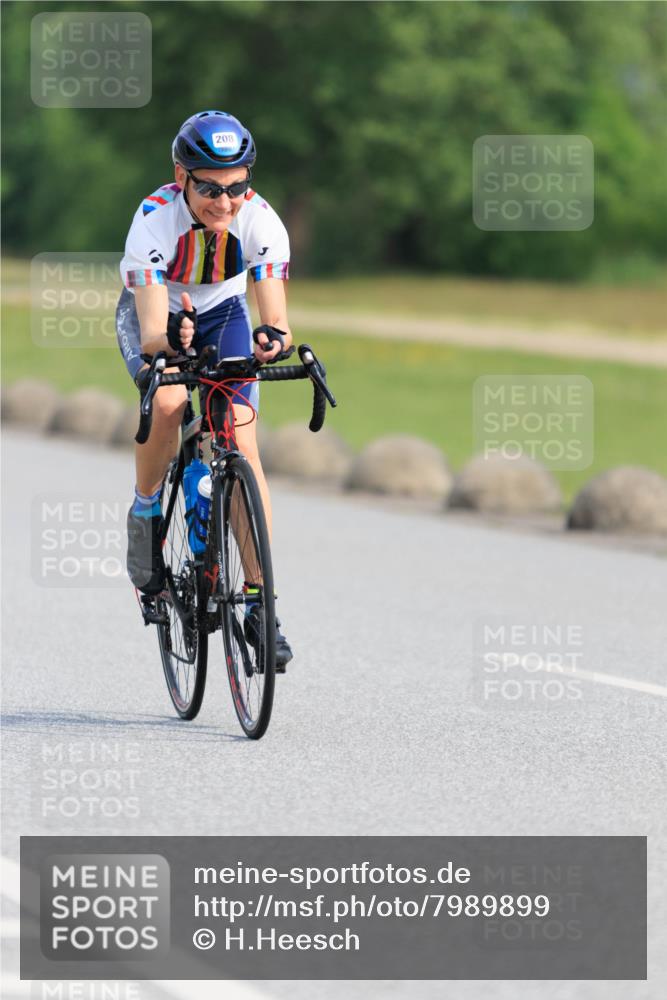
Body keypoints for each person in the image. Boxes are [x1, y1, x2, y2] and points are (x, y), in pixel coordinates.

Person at [116, 109, 293, 670]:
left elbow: (277, 320)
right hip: (156, 312)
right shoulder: (153, 220)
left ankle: (261, 605)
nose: (225, 202)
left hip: (222, 313)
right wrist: (167, 340)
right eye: (210, 188)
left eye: (237, 187)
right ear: (181, 175)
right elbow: (150, 331)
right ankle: (146, 517)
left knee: (239, 438)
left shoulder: (261, 221)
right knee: (168, 401)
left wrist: (273, 341)